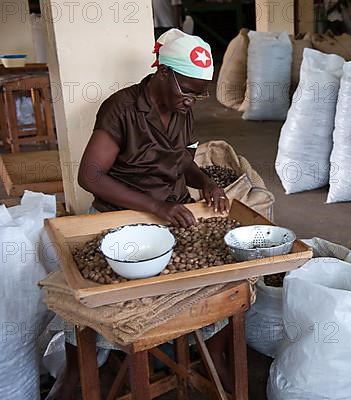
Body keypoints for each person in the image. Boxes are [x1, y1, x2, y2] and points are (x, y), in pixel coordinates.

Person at [46, 29, 232, 400]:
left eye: (200, 92)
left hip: (174, 212)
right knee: (89, 299)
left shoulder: (181, 109)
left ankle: (212, 360)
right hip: (119, 216)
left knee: (226, 285)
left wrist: (206, 183)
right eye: (188, 90)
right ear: (163, 73)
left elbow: (182, 159)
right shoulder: (122, 108)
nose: (194, 100)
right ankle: (76, 376)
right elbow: (90, 176)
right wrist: (156, 207)